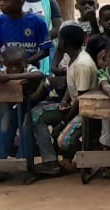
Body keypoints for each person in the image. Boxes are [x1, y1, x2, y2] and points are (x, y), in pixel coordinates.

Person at [33, 25, 97, 173]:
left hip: (86, 111)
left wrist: (62, 122)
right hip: (74, 105)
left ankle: (89, 155)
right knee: (36, 114)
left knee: (64, 141)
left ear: (64, 43)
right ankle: (50, 161)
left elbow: (82, 100)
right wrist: (64, 100)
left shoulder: (82, 64)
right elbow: (72, 85)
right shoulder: (73, 59)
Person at [0, 44, 47, 164]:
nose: (13, 68)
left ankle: (23, 161)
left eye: (17, 65)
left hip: (32, 107)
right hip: (14, 109)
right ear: (5, 63)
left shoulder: (30, 69)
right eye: (10, 65)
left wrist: (9, 77)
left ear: (24, 63)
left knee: (25, 125)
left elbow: (39, 75)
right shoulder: (2, 71)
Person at [0, 0, 51, 71]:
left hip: (29, 69)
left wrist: (26, 62)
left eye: (6, 0)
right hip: (6, 68)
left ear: (20, 2)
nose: (1, 3)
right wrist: (4, 62)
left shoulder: (37, 21)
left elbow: (45, 50)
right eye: (0, 0)